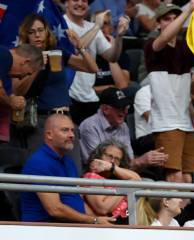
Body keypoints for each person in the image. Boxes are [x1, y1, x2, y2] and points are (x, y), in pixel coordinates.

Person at [11, 14, 97, 160]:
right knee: (43, 170)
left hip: (65, 117)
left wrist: (80, 46)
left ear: (46, 32)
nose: (37, 35)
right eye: (32, 32)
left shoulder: (57, 54)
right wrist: (37, 66)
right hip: (41, 120)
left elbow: (92, 68)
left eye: (40, 30)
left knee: (73, 169)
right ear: (26, 36)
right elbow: (17, 90)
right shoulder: (21, 59)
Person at [20, 114, 114, 224]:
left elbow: (78, 200)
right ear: (49, 135)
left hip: (70, 225)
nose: (71, 135)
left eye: (72, 131)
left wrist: (100, 222)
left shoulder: (68, 161)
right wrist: (94, 220)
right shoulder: (39, 162)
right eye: (65, 130)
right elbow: (55, 209)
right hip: (44, 228)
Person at [144, 1, 194, 183]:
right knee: (174, 175)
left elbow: (193, 87)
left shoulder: (184, 47)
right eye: (167, 19)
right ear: (158, 23)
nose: (172, 22)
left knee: (187, 177)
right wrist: (188, 10)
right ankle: (173, 212)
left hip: (185, 121)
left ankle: (184, 212)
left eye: (175, 18)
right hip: (166, 122)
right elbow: (165, 37)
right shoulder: (152, 43)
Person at [63, 0, 129, 124]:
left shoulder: (92, 27)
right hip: (68, 95)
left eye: (84, 1)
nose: (80, 3)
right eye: (75, 0)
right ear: (66, 3)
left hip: (89, 96)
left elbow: (112, 57)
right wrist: (97, 27)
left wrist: (119, 37)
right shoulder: (62, 23)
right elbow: (73, 52)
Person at [83, 139, 141, 223]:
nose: (112, 161)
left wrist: (111, 167)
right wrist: (126, 187)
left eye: (117, 159)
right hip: (108, 227)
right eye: (109, 156)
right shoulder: (92, 176)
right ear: (99, 156)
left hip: (126, 223)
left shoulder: (120, 178)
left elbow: (137, 180)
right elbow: (102, 208)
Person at [0, 44, 43, 143]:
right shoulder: (5, 55)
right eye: (28, 73)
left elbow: (7, 95)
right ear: (25, 62)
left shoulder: (6, 73)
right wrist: (10, 103)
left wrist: (15, 100)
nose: (21, 78)